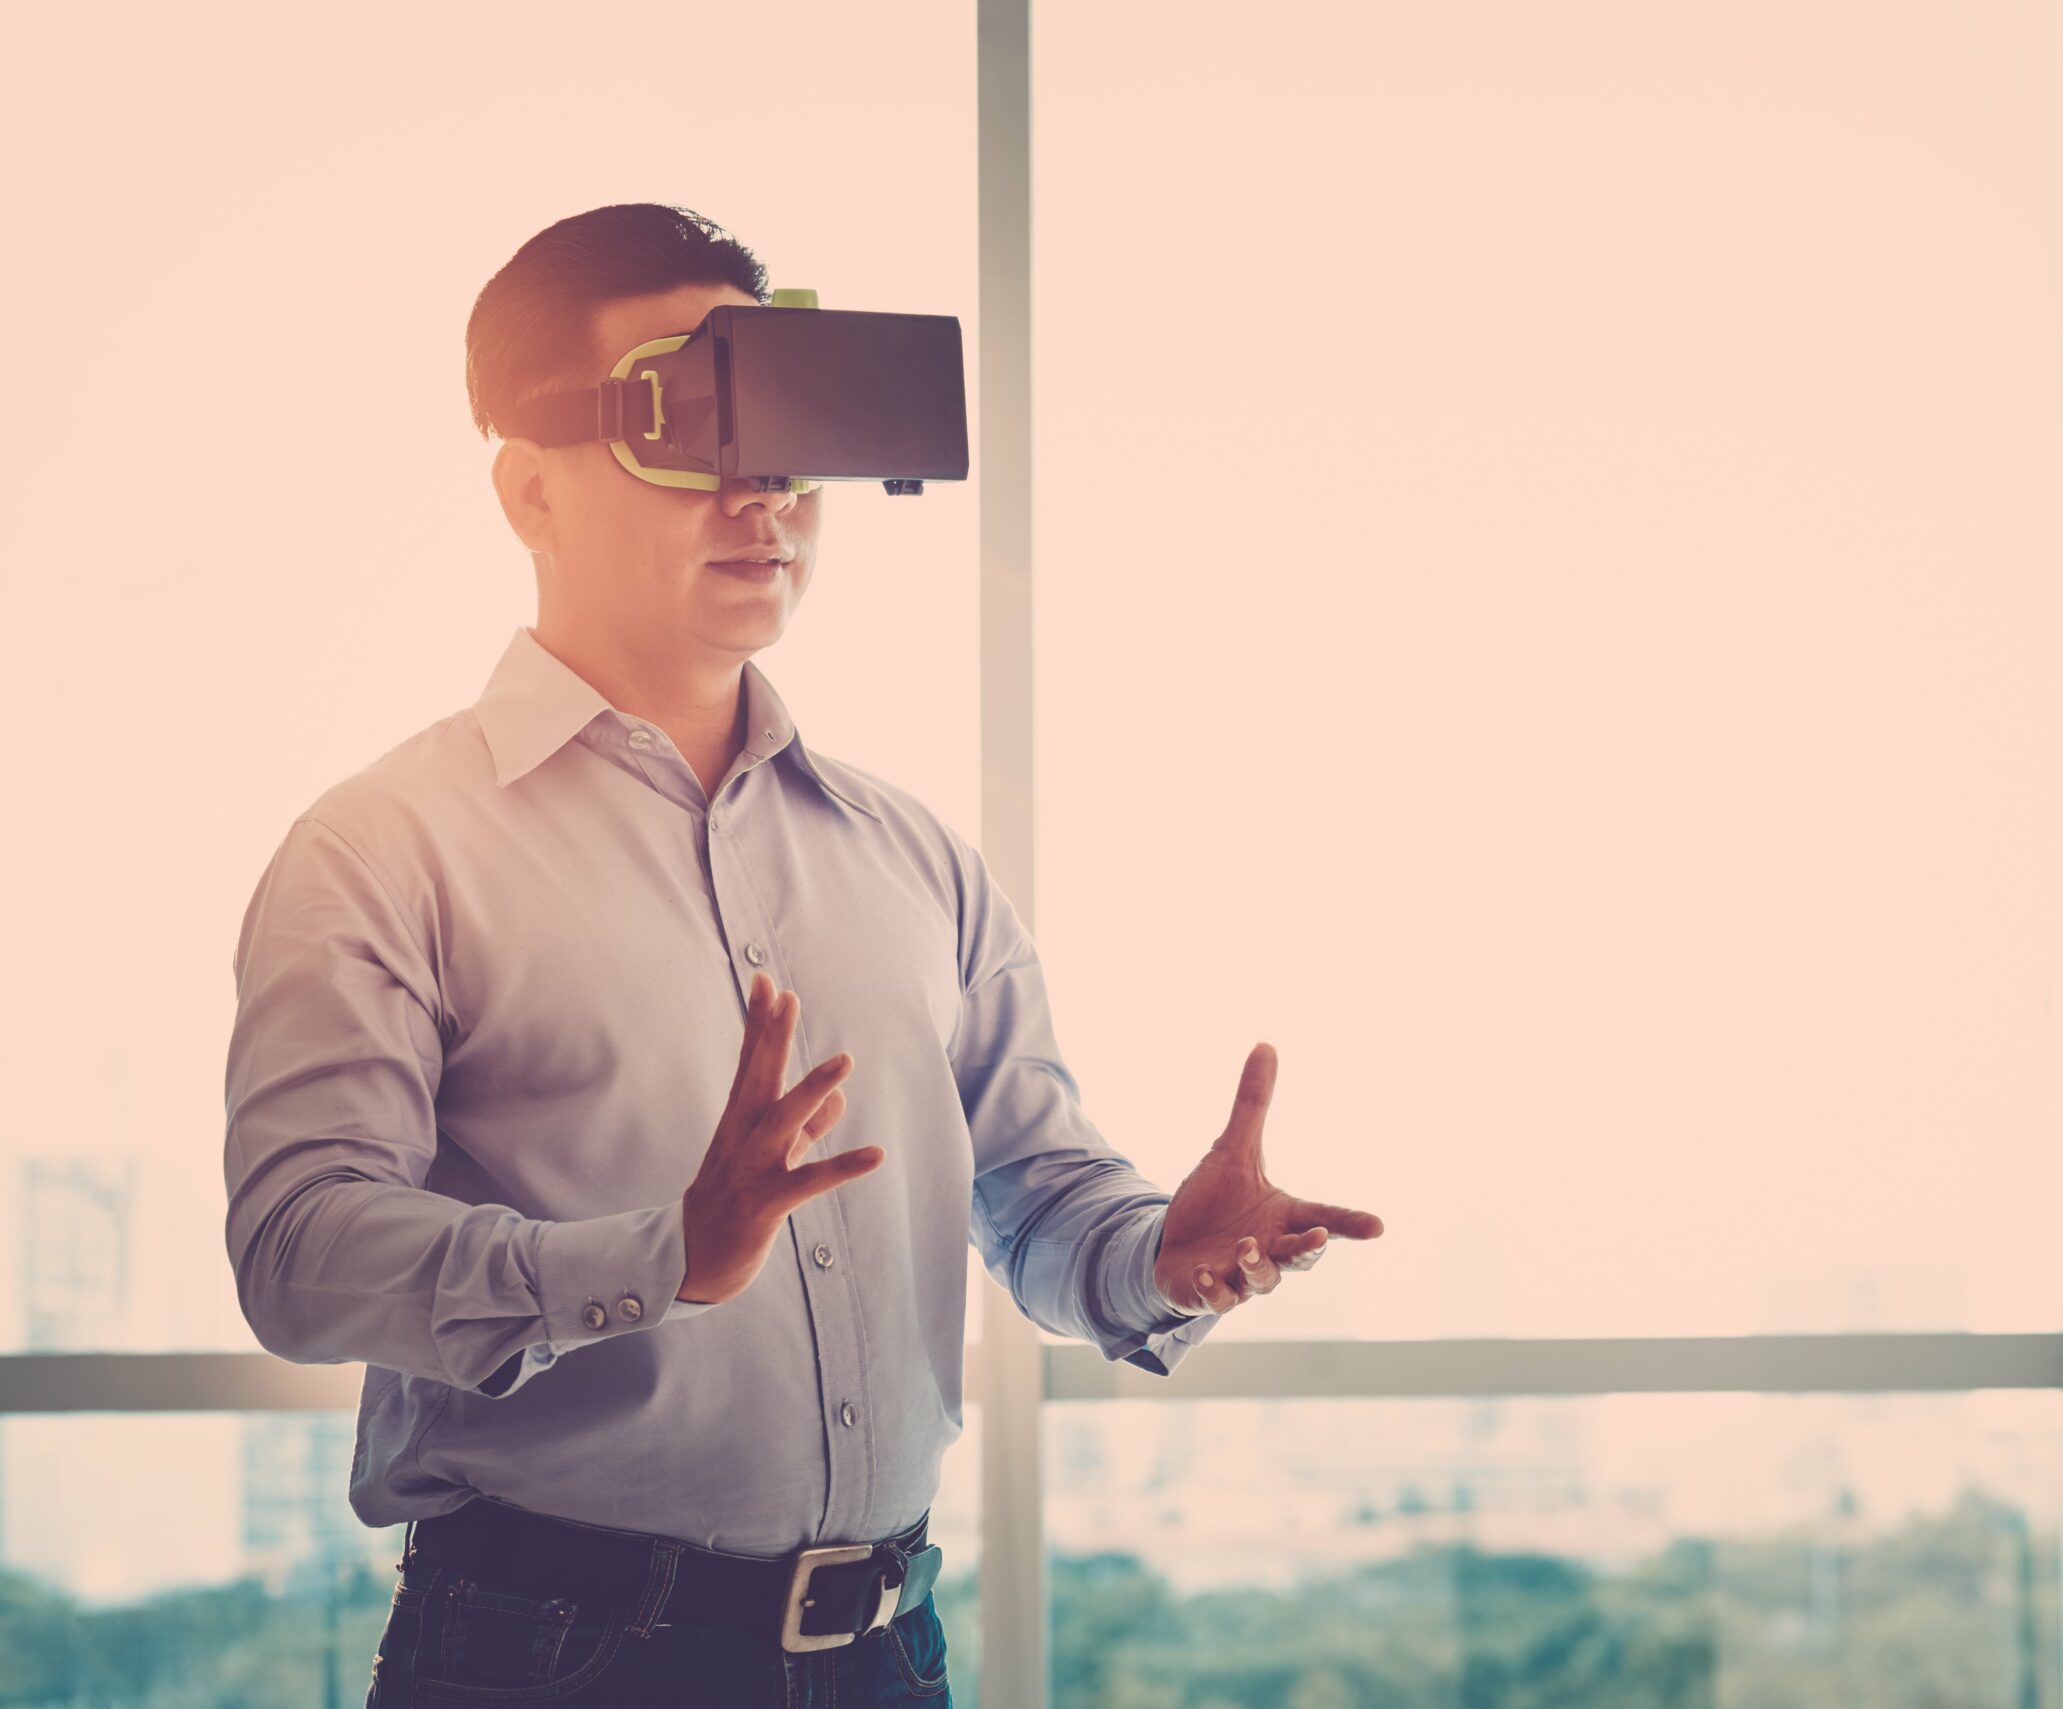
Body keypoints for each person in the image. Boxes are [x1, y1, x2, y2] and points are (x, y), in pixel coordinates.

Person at [221, 202, 1386, 1708]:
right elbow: (300, 1258)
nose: (761, 486)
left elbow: (1035, 1192)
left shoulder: (911, 857)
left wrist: (1159, 1254)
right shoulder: (384, 846)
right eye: (680, 425)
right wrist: (660, 1259)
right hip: (550, 1656)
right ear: (528, 490)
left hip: (885, 1654)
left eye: (777, 426)